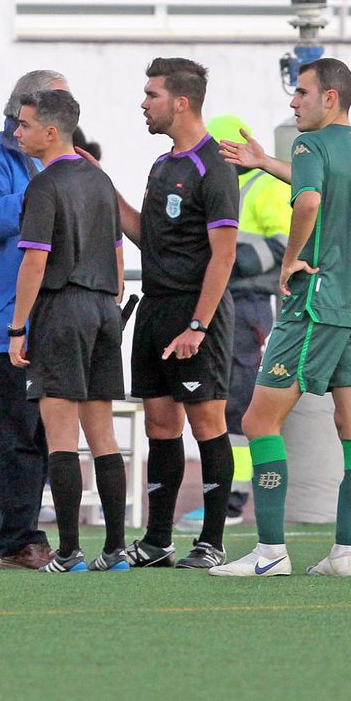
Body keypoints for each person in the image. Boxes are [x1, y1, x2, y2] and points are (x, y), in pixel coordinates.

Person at [209, 58, 351, 578]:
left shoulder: (310, 144)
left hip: (316, 304)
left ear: (330, 98)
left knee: (257, 420)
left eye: (302, 93)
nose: (294, 103)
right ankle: (343, 554)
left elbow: (310, 201)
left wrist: (291, 259)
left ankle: (271, 554)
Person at [98, 58, 240, 571]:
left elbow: (224, 256)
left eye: (151, 94)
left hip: (196, 315)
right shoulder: (162, 167)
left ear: (180, 102)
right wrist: (102, 186)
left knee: (206, 421)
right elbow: (147, 237)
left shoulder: (214, 167)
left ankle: (212, 541)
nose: (143, 103)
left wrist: (198, 326)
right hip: (154, 309)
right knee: (159, 423)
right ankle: (158, 541)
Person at [7, 89, 129, 573]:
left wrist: (18, 326)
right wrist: (110, 300)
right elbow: (119, 251)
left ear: (51, 132)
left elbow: (35, 261)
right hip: (103, 309)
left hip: (63, 310)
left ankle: (70, 551)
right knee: (103, 435)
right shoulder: (100, 181)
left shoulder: (44, 186)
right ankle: (116, 550)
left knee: (61, 436)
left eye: (24, 124)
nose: (17, 132)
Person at [0, 70, 66, 570]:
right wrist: (37, 198)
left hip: (29, 320)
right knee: (13, 436)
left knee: (25, 435)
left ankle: (2, 544)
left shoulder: (45, 164)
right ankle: (22, 538)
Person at [177, 113, 292, 534]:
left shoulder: (264, 185)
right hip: (224, 301)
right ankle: (222, 494)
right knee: (215, 398)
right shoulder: (231, 183)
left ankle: (233, 499)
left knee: (239, 401)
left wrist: (227, 261)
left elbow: (284, 243)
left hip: (249, 304)